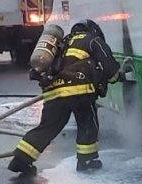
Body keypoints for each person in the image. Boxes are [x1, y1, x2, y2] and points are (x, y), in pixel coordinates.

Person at [9, 19, 120, 175]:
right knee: (87, 122)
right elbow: (109, 67)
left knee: (48, 127)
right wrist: (116, 77)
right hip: (79, 90)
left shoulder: (63, 43)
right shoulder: (93, 40)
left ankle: (21, 159)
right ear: (93, 31)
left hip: (53, 91)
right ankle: (86, 160)